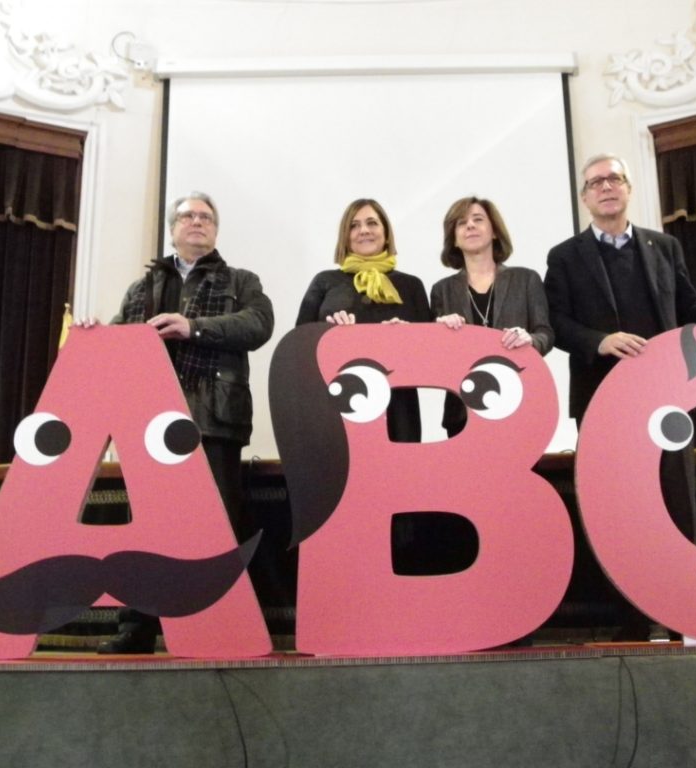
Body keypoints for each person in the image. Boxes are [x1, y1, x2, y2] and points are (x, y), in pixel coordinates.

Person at [544, 153, 696, 641]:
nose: (606, 187)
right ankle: (632, 622)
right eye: (596, 182)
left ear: (627, 188)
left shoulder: (664, 246)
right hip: (603, 401)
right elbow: (556, 324)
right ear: (584, 198)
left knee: (677, 506)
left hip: (667, 400)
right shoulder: (564, 256)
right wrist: (600, 340)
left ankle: (685, 615)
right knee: (619, 511)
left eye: (614, 178)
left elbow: (688, 305)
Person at [93, 190, 274, 654]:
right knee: (146, 529)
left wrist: (193, 327)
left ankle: (217, 626)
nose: (197, 221)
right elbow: (120, 341)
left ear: (215, 229)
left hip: (213, 420)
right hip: (149, 424)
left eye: (206, 217)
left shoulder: (242, 279)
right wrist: (99, 334)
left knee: (215, 528)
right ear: (173, 228)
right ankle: (136, 629)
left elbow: (258, 324)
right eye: (188, 215)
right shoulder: (141, 288)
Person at [296, 198, 431, 442]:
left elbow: (429, 357)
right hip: (340, 401)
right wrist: (331, 335)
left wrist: (407, 337)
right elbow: (300, 344)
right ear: (345, 236)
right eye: (354, 225)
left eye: (372, 223)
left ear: (386, 233)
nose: (364, 230)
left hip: (399, 408)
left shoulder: (411, 286)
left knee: (399, 476)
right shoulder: (324, 281)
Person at [431, 196, 554, 436]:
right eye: (461, 223)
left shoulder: (526, 279)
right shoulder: (441, 290)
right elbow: (435, 356)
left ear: (495, 232)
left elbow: (546, 333)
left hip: (518, 405)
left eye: (478, 219)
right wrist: (439, 332)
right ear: (453, 238)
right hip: (462, 411)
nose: (470, 226)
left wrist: (530, 339)